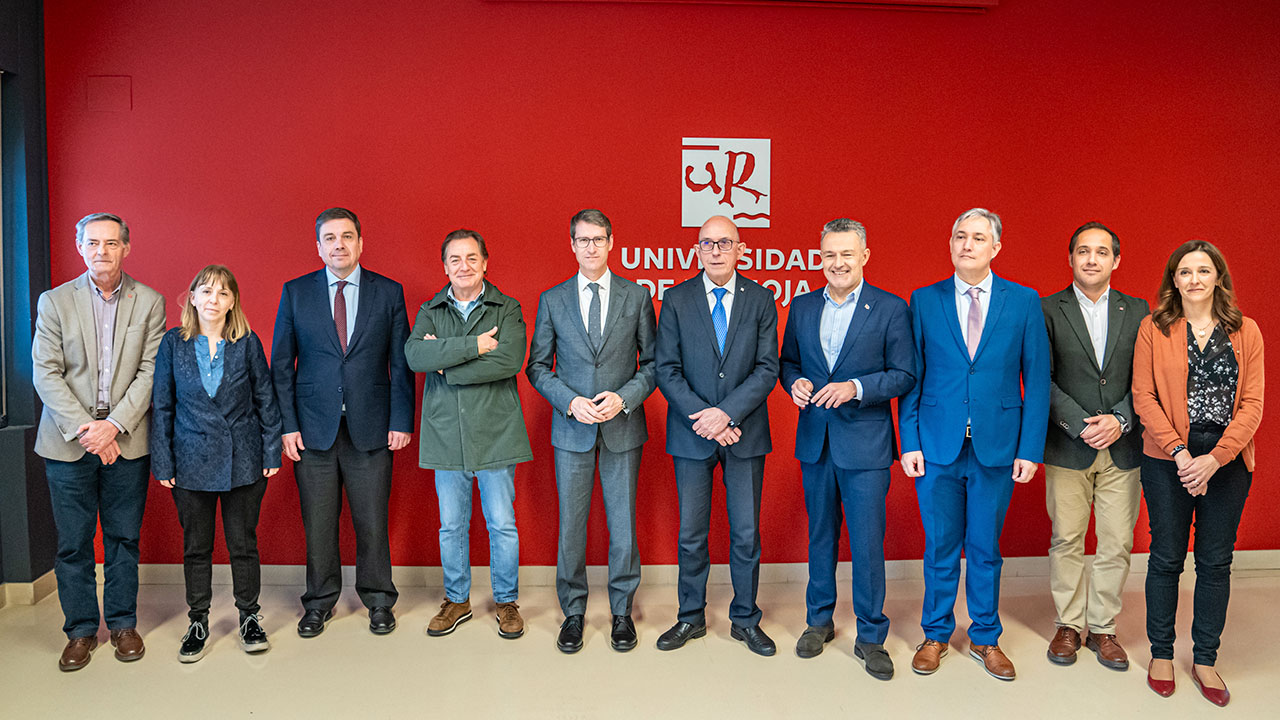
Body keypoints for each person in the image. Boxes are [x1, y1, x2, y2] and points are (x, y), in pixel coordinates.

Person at [898, 208, 1050, 681]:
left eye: (978, 238)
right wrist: (910, 441)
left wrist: (1029, 449)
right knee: (940, 545)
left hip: (998, 446)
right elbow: (912, 379)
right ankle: (936, 633)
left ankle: (985, 636)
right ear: (950, 244)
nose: (967, 244)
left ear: (995, 248)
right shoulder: (924, 300)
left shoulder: (1024, 301)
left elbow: (1038, 379)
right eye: (960, 236)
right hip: (937, 444)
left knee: (984, 546)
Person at [779, 218, 915, 678]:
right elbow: (789, 363)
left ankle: (872, 634)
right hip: (815, 443)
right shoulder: (800, 308)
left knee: (866, 544)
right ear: (820, 259)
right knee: (820, 536)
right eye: (829, 255)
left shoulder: (892, 309)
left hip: (866, 446)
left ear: (864, 256)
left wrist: (855, 387)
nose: (837, 263)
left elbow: (904, 373)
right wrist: (793, 382)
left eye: (846, 254)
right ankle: (819, 621)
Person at [272, 207, 414, 637]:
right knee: (318, 522)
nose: (339, 244)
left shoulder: (388, 292)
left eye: (347, 236)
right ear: (318, 247)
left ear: (360, 243)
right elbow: (281, 364)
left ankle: (378, 600)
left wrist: (402, 419)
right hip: (312, 430)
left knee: (372, 519)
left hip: (371, 427)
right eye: (330, 238)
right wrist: (287, 425)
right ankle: (318, 602)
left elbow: (401, 363)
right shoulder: (296, 292)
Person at [32, 212, 166, 670]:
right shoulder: (54, 302)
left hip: (126, 441)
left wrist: (114, 426)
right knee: (73, 543)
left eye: (111, 243)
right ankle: (82, 631)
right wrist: (89, 430)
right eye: (92, 243)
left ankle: (123, 623)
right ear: (79, 247)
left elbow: (150, 372)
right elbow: (45, 374)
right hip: (68, 443)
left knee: (123, 538)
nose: (101, 251)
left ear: (126, 248)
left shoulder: (148, 301)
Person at [1133, 240, 1263, 707]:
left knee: (1215, 561)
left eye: (1203, 271)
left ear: (1218, 278)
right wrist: (1181, 452)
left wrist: (1215, 457)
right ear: (1174, 280)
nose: (1193, 279)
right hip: (1169, 460)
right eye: (1184, 271)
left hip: (1225, 463)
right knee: (1166, 556)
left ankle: (1205, 658)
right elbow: (1143, 396)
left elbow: (1253, 404)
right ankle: (1162, 653)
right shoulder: (1154, 328)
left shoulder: (1246, 331)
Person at [527, 209, 657, 653]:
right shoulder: (552, 299)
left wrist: (625, 396)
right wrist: (569, 400)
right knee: (572, 525)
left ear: (611, 242)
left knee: (623, 525)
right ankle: (574, 612)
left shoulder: (637, 296)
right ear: (572, 245)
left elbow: (654, 365)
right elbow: (538, 367)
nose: (591, 247)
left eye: (598, 239)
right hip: (572, 429)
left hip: (623, 426)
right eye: (582, 240)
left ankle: (622, 612)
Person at [654, 215, 780, 657]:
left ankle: (745, 620)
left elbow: (768, 368)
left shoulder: (762, 299)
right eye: (708, 243)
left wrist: (725, 415)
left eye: (725, 242)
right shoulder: (676, 299)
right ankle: (690, 617)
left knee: (745, 534)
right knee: (691, 534)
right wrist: (703, 417)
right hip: (691, 436)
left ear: (741, 248)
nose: (716, 250)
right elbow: (665, 369)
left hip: (744, 433)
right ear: (697, 250)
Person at [150, 265, 283, 662]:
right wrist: (163, 461)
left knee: (243, 545)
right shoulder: (173, 343)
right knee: (197, 547)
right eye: (206, 291)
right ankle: (198, 620)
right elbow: (162, 405)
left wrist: (272, 451)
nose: (214, 299)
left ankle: (248, 617)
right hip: (189, 459)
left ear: (232, 302)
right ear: (192, 297)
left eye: (223, 293)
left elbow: (266, 399)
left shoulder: (247, 342)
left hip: (243, 459)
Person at [405, 229, 532, 640]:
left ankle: (507, 602)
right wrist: (475, 345)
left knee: (502, 524)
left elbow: (510, 360)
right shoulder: (430, 309)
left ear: (485, 263)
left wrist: (446, 362)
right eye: (455, 260)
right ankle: (457, 600)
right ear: (445, 267)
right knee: (451, 525)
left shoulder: (506, 307)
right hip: (446, 434)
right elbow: (414, 355)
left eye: (471, 258)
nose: (464, 266)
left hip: (496, 431)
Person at [1041, 222, 1149, 670]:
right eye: (1083, 251)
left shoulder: (1139, 310)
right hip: (1068, 444)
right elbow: (1038, 377)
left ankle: (1103, 628)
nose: (1091, 259)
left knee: (1116, 541)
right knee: (1066, 539)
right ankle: (1069, 624)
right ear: (1070, 258)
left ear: (1116, 261)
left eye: (1101, 252)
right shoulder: (1046, 309)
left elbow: (1148, 377)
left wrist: (1121, 419)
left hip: (1123, 446)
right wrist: (1079, 424)